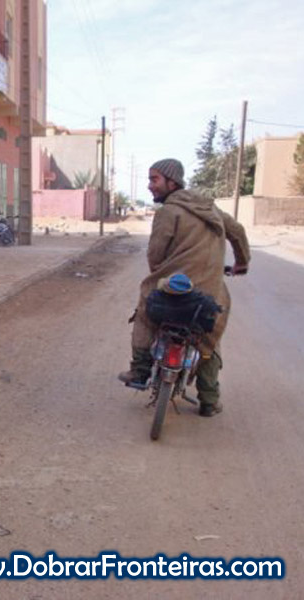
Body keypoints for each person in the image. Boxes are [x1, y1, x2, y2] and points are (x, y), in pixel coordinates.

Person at [118, 158, 250, 416]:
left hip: (172, 291)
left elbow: (156, 255)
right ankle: (209, 400)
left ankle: (140, 370)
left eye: (154, 179)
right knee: (209, 337)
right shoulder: (210, 209)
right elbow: (237, 231)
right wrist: (242, 262)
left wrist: (160, 274)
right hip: (206, 293)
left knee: (145, 312)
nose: (150, 185)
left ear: (172, 182)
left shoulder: (168, 212)